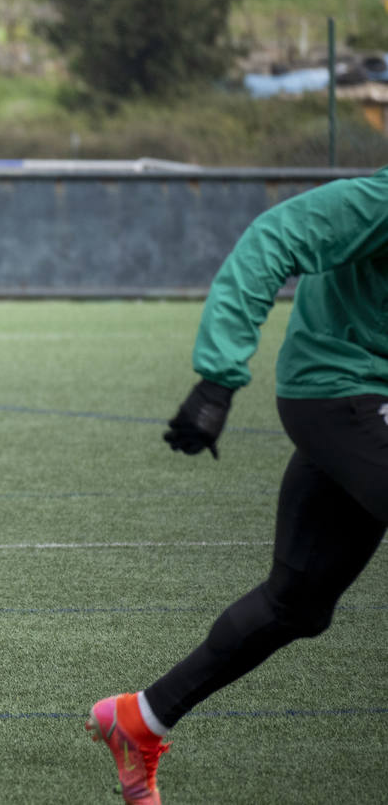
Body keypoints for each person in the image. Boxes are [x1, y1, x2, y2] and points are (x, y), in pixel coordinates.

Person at [87, 168, 388, 803]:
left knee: (296, 605)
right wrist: (219, 374)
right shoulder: (380, 199)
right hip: (346, 397)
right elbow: (274, 236)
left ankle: (141, 718)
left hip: (355, 407)